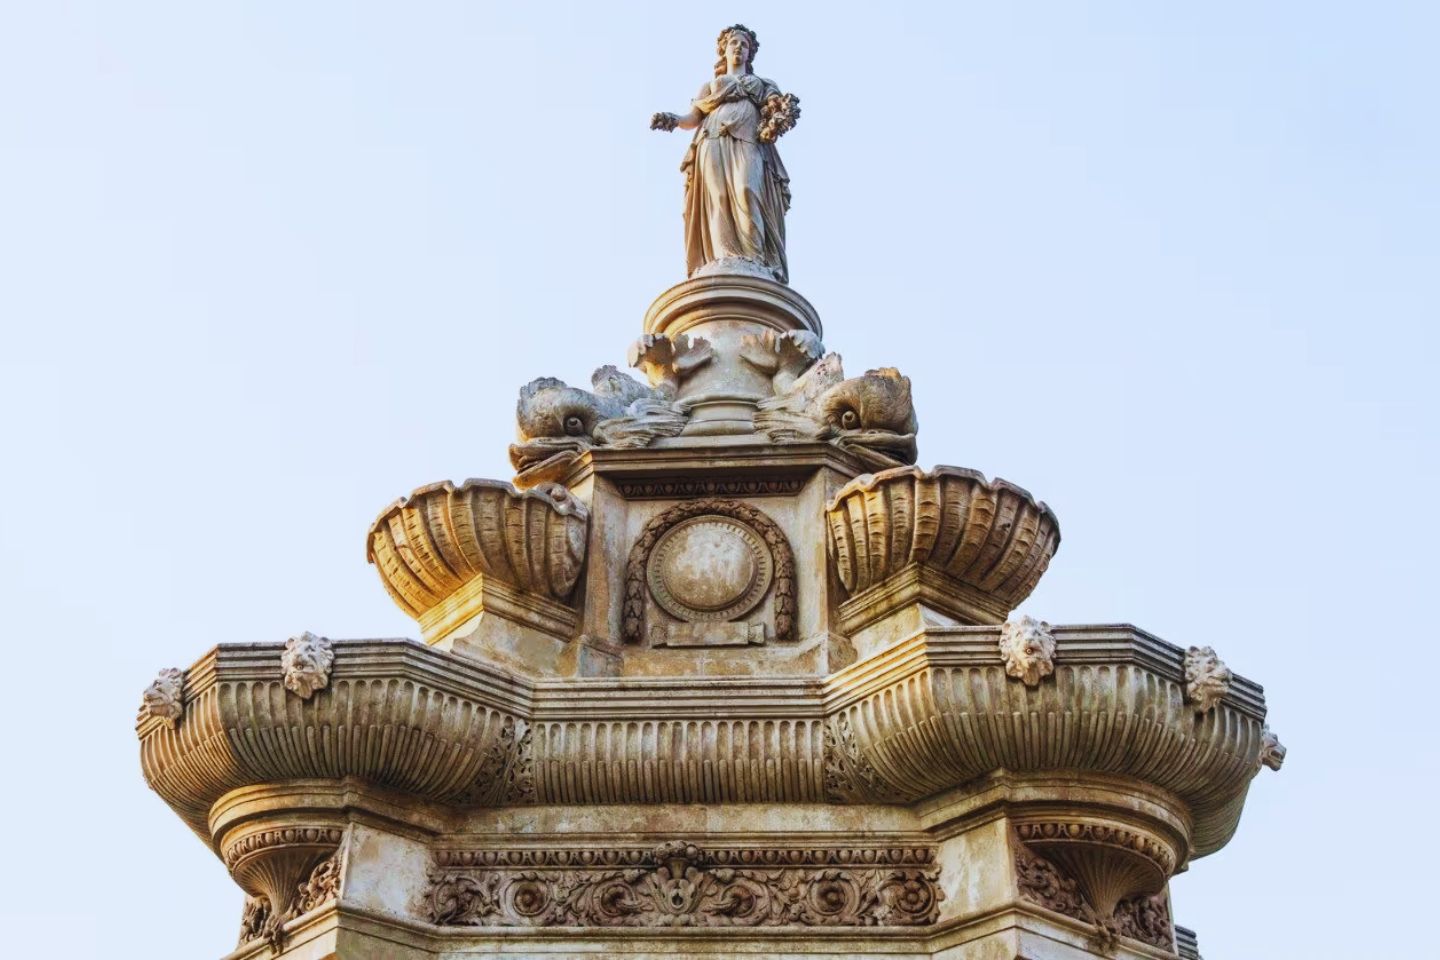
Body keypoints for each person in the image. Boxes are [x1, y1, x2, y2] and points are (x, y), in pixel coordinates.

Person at [651, 24, 798, 284]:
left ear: (750, 53)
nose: (739, 48)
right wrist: (672, 120)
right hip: (713, 140)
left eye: (744, 45)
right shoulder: (710, 86)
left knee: (746, 189)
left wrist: (780, 116)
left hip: (748, 141)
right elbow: (694, 117)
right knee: (717, 197)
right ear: (724, 51)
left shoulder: (763, 84)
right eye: (734, 43)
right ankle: (723, 257)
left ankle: (754, 260)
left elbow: (776, 111)